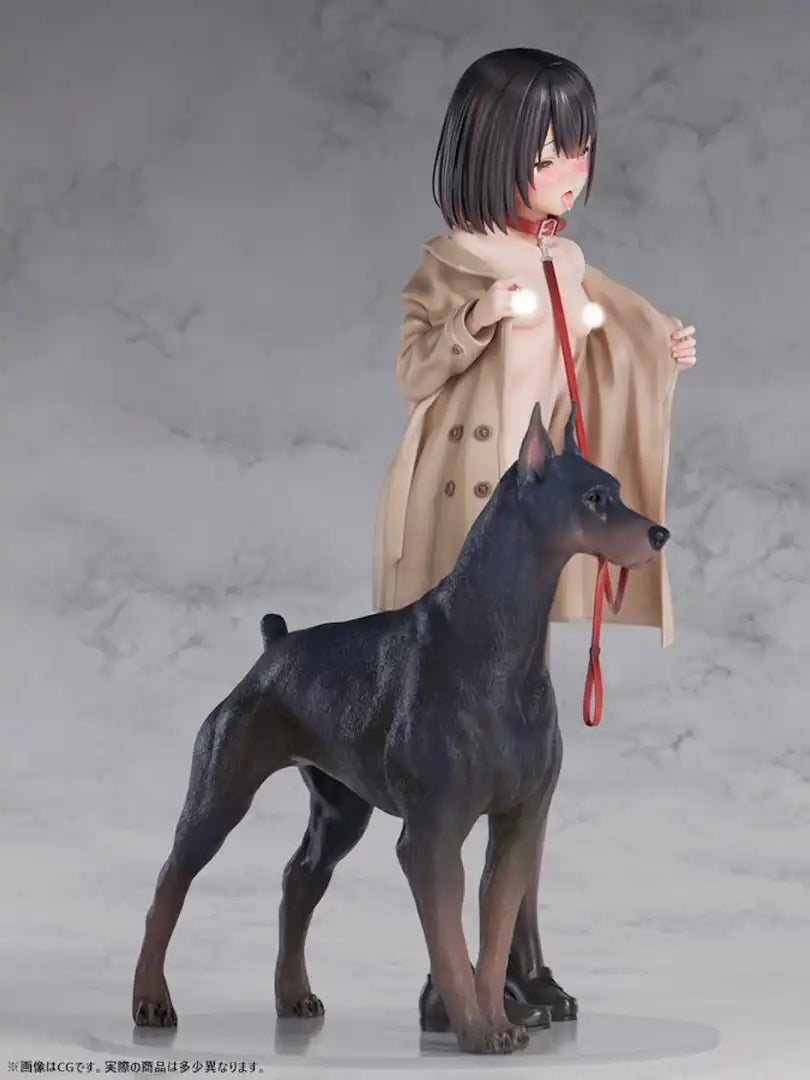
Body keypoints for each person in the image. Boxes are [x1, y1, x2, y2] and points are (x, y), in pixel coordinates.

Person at [372, 47, 697, 1031]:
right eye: (549, 154)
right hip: (456, 519)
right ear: (493, 151)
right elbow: (414, 372)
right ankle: (450, 976)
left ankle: (520, 957)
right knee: (453, 748)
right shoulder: (455, 259)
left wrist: (659, 346)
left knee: (521, 750)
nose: (570, 173)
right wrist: (477, 316)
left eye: (579, 151)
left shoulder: (566, 261)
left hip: (528, 527)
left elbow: (617, 337)